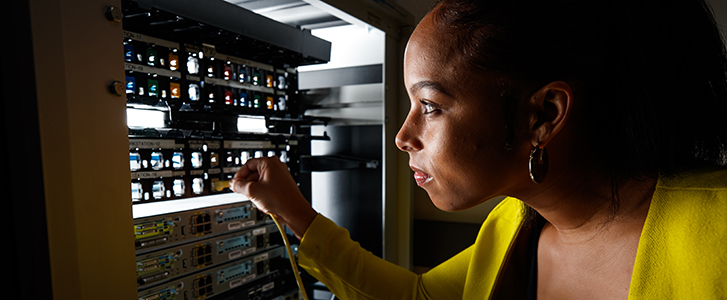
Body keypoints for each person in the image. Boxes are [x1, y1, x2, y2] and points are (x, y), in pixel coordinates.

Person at [231, 0, 727, 298]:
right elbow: (419, 297)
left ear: (544, 116)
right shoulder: (511, 227)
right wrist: (293, 212)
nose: (403, 138)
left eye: (429, 105)